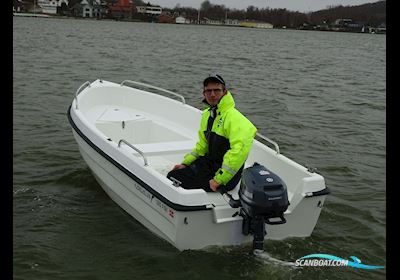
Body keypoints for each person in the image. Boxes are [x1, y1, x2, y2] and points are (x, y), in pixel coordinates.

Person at [167, 74, 257, 192]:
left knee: (175, 179)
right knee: (174, 174)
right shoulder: (207, 115)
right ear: (204, 93)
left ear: (225, 92)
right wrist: (186, 163)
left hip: (225, 177)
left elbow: (238, 153)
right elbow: (202, 146)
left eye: (217, 90)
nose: (212, 94)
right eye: (208, 91)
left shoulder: (237, 120)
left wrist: (219, 180)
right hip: (210, 165)